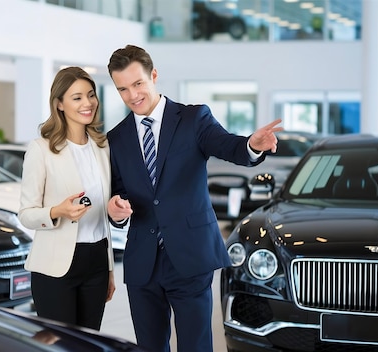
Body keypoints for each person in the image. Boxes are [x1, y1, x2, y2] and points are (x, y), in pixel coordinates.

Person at [105, 44, 283, 352]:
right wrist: (115, 210)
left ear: (154, 75)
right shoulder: (117, 138)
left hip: (190, 257)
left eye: (138, 84)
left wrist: (252, 145)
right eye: (122, 89)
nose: (132, 95)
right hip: (142, 263)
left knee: (195, 346)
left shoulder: (193, 119)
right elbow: (117, 194)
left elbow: (229, 146)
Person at [18, 66, 116, 331]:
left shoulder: (103, 147)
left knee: (89, 342)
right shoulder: (41, 149)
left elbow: (103, 217)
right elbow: (26, 213)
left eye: (91, 95)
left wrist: (108, 269)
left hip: (96, 260)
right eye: (77, 97)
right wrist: (56, 211)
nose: (88, 103)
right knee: (60, 345)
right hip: (55, 266)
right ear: (59, 103)